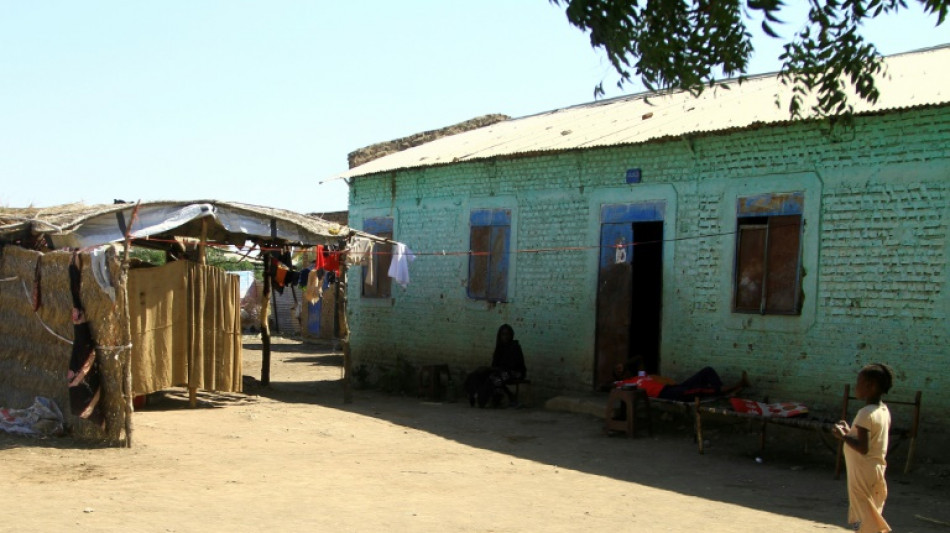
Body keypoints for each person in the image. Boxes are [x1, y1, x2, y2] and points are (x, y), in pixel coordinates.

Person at [833, 363, 893, 533]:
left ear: (871, 386)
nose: (856, 387)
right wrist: (849, 432)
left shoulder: (865, 413)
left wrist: (843, 436)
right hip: (875, 470)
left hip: (862, 473)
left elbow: (863, 447)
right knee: (869, 515)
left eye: (859, 382)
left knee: (864, 518)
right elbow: (869, 441)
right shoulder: (883, 410)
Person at [617, 364, 749, 402]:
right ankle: (736, 387)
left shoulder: (639, 375)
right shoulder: (623, 383)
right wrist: (618, 375)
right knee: (699, 390)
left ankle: (723, 392)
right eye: (619, 370)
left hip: (672, 387)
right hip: (665, 394)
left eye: (622, 367)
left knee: (707, 371)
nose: (622, 369)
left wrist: (626, 363)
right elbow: (604, 385)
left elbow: (640, 358)